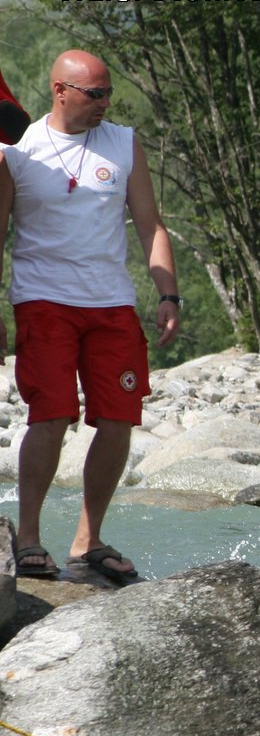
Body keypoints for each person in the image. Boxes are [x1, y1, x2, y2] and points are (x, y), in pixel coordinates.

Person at [0, 49, 181, 584]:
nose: (104, 103)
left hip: (111, 304)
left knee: (119, 417)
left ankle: (88, 539)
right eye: (93, 94)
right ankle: (29, 539)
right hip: (43, 301)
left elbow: (150, 225)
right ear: (60, 91)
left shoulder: (124, 143)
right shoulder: (19, 152)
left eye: (108, 94)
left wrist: (168, 294)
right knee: (51, 415)